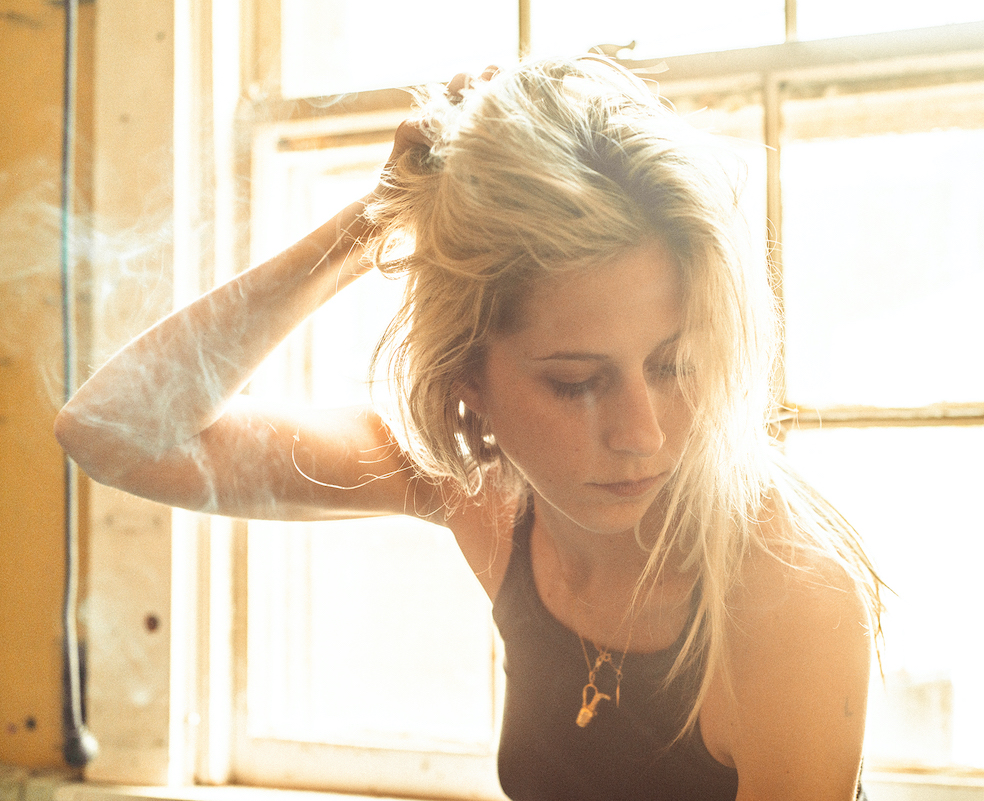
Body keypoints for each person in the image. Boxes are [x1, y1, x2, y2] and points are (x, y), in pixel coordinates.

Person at [56, 56, 882, 800]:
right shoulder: (480, 490)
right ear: (468, 382)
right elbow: (112, 431)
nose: (643, 433)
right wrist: (375, 219)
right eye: (577, 382)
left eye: (675, 365)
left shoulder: (791, 596)